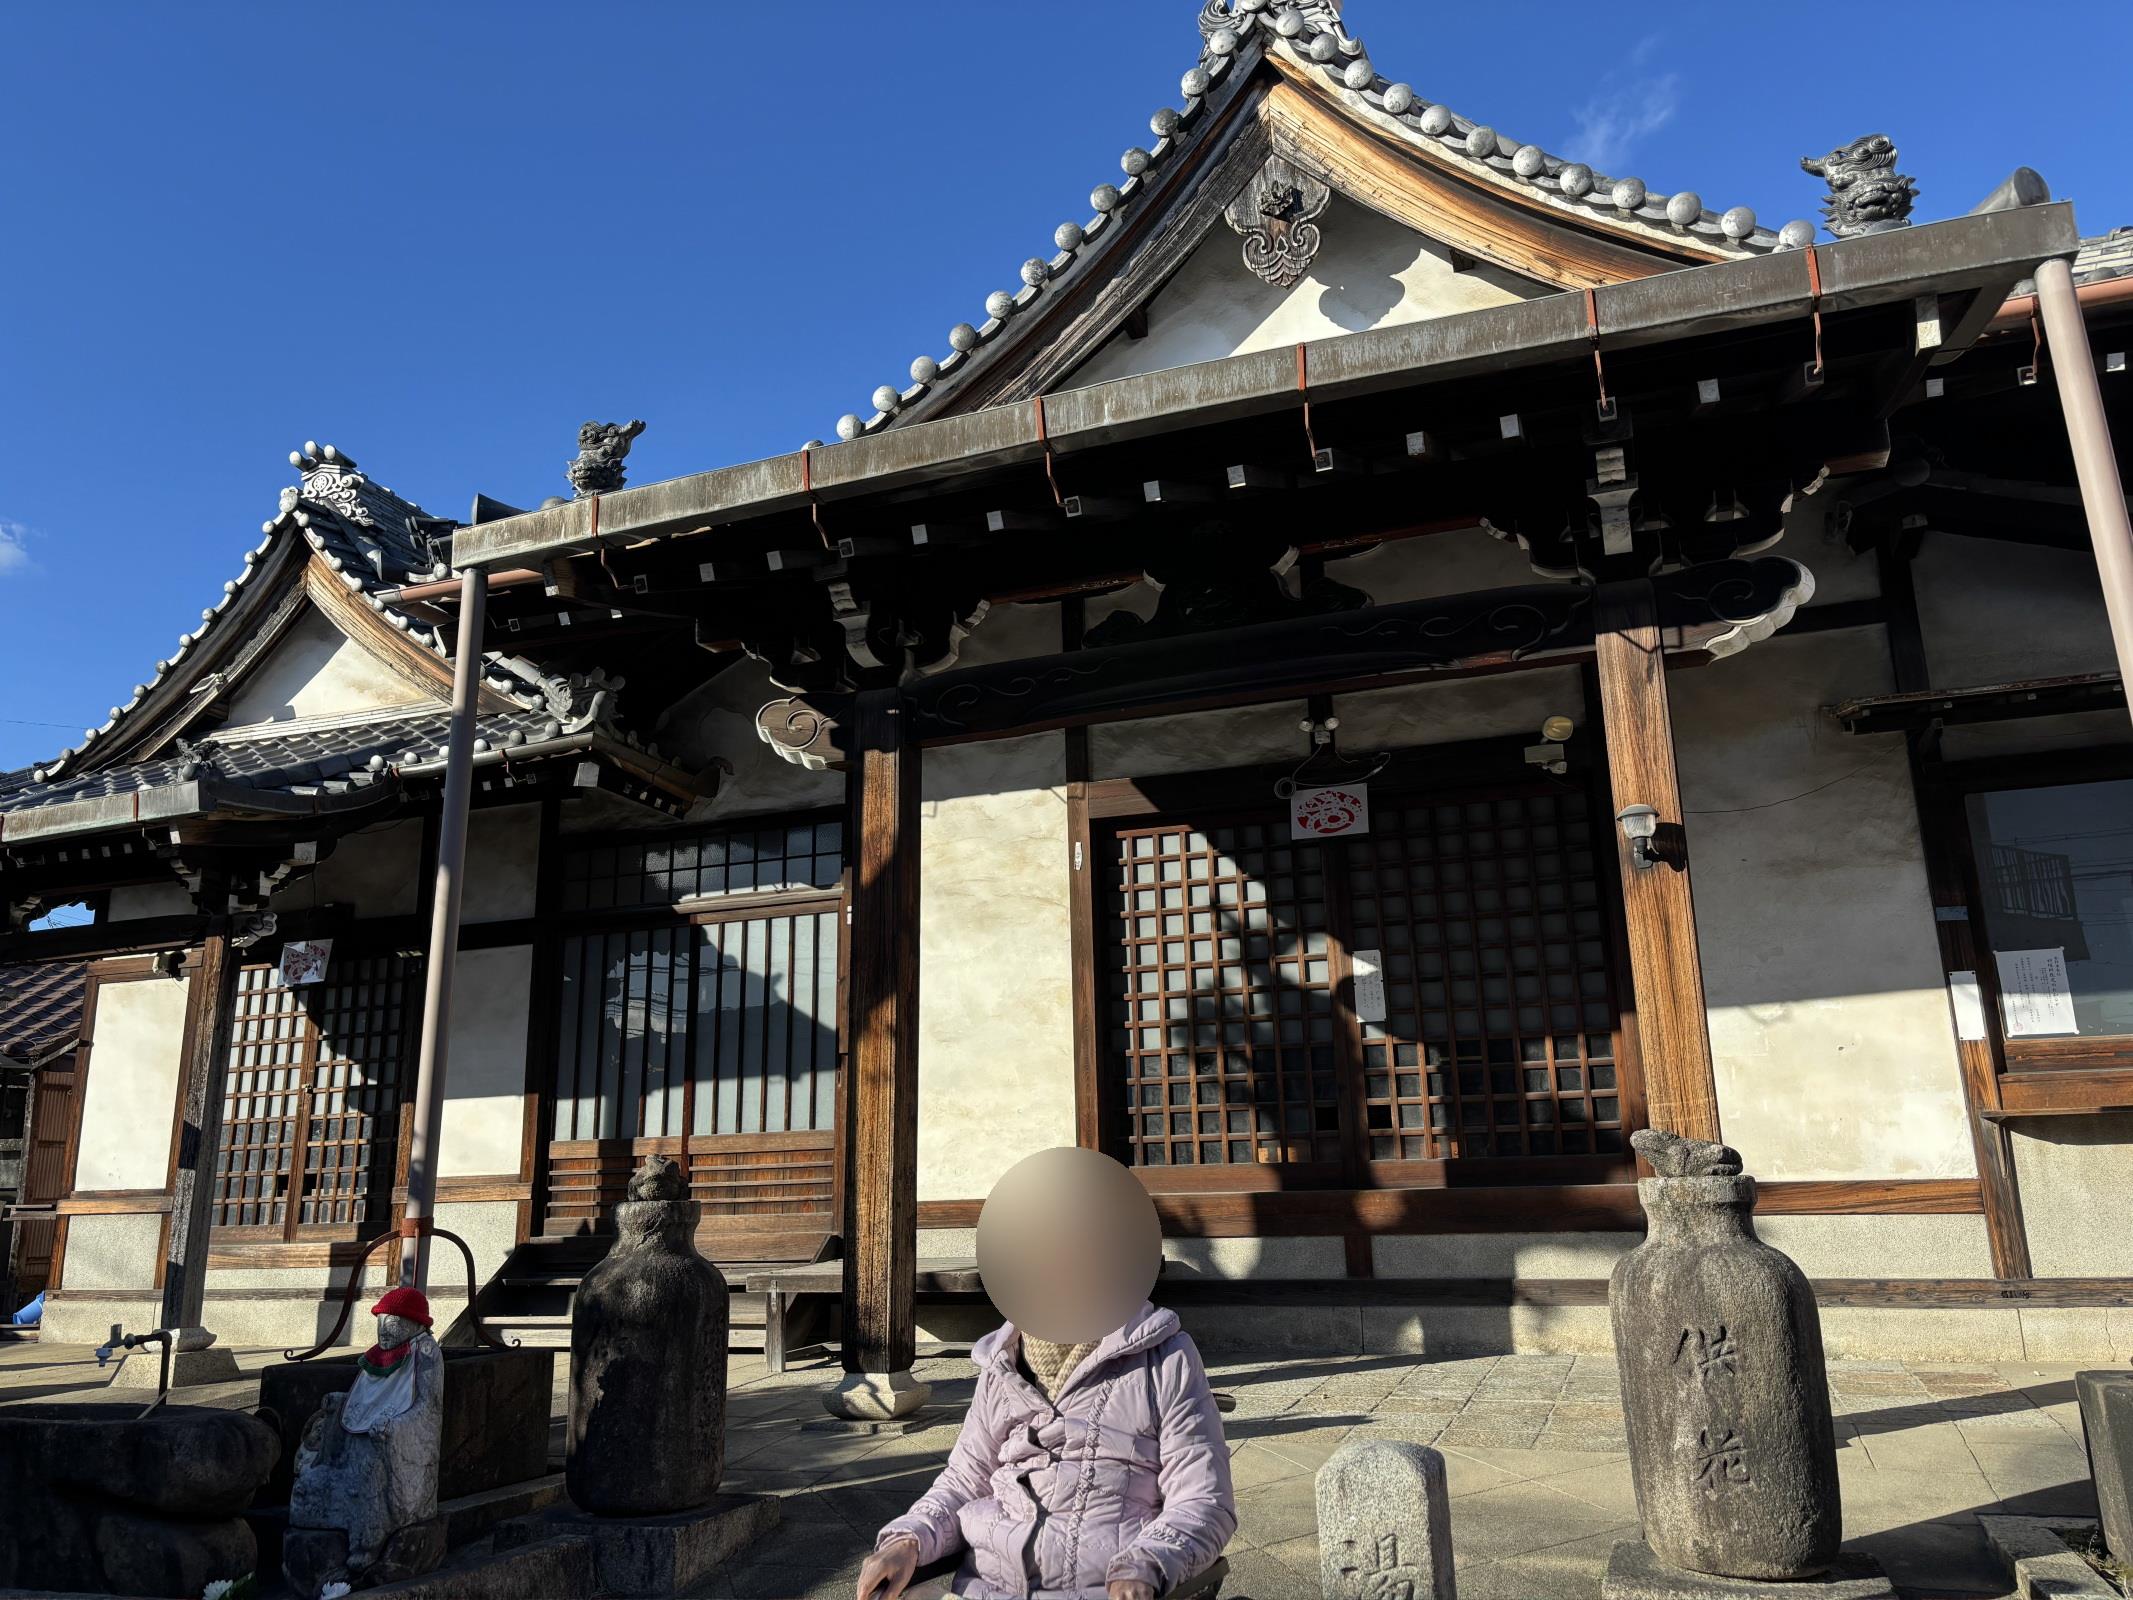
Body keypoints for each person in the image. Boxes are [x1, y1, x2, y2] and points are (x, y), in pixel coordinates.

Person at [856, 1148, 1235, 1600]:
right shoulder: (1001, 1363)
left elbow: (1203, 1500)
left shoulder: (1166, 1358)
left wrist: (1146, 1564)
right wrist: (909, 1539)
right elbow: (965, 1480)